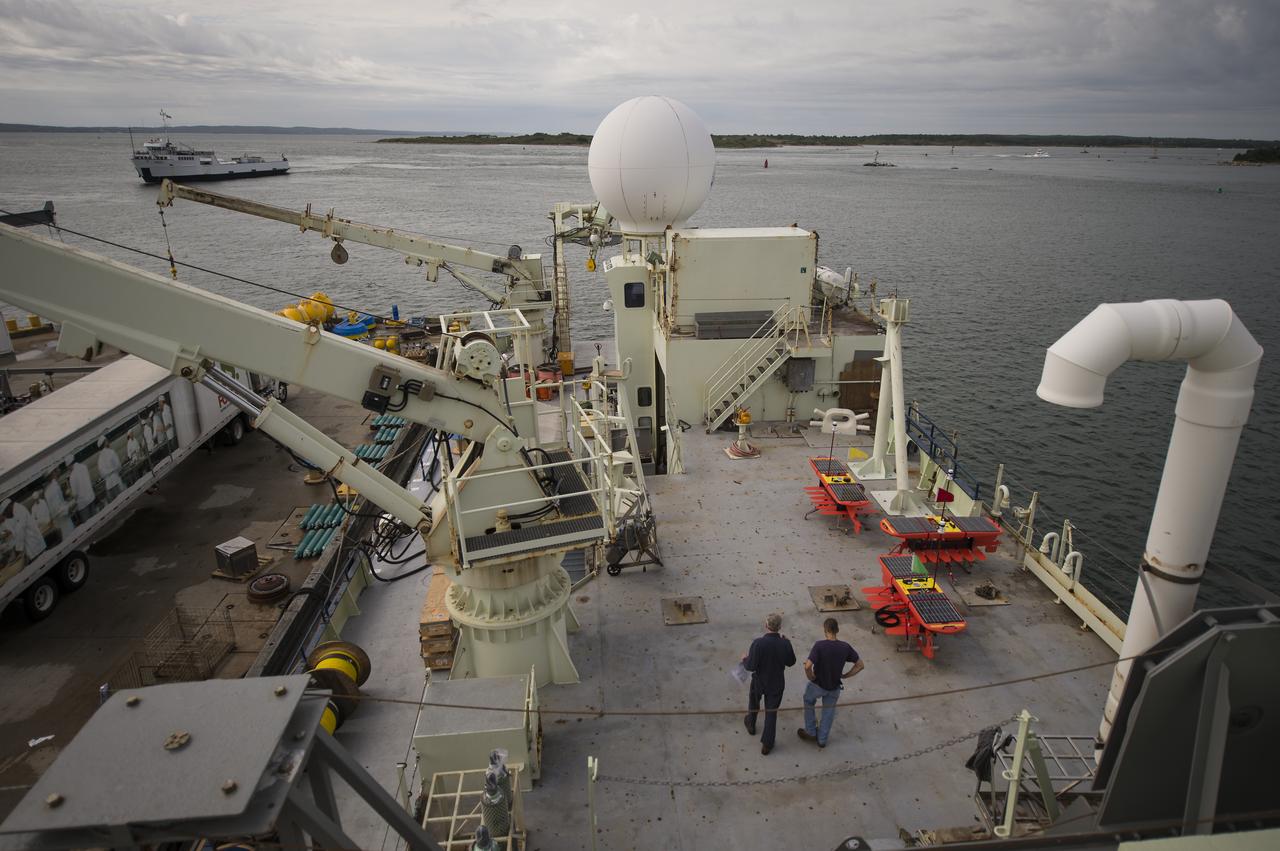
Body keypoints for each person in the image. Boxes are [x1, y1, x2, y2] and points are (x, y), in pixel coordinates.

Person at [798, 617, 864, 749]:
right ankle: (822, 740)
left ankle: (811, 731)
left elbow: (807, 666)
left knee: (808, 701)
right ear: (837, 630)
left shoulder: (819, 646)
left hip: (818, 684)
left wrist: (810, 677)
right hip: (834, 686)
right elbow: (860, 665)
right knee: (828, 712)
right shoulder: (845, 647)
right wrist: (845, 675)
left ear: (825, 630)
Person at [742, 612, 796, 755]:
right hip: (776, 683)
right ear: (780, 627)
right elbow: (791, 662)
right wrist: (788, 643)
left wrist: (744, 659)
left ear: (766, 625)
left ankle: (751, 724)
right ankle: (767, 744)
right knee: (771, 713)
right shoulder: (785, 643)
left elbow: (751, 666)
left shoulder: (758, 643)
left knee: (754, 703)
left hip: (759, 681)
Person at [2, 498, 47, 563]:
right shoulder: (15, 512)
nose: (6, 516)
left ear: (9, 507)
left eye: (5, 513)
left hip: (37, 546)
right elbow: (17, 531)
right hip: (32, 548)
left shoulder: (19, 510)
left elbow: (20, 530)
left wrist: (18, 550)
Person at [44, 466, 75, 536]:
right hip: (65, 524)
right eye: (57, 469)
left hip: (61, 523)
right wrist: (72, 504)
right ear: (53, 473)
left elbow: (59, 505)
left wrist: (67, 504)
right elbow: (60, 510)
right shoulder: (54, 488)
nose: (59, 470)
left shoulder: (50, 488)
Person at [67, 453, 97, 524]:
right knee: (96, 521)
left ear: (69, 465)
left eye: (67, 467)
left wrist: (71, 494)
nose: (68, 469)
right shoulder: (84, 466)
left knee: (89, 526)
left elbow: (75, 494)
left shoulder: (72, 476)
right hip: (91, 498)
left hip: (83, 505)